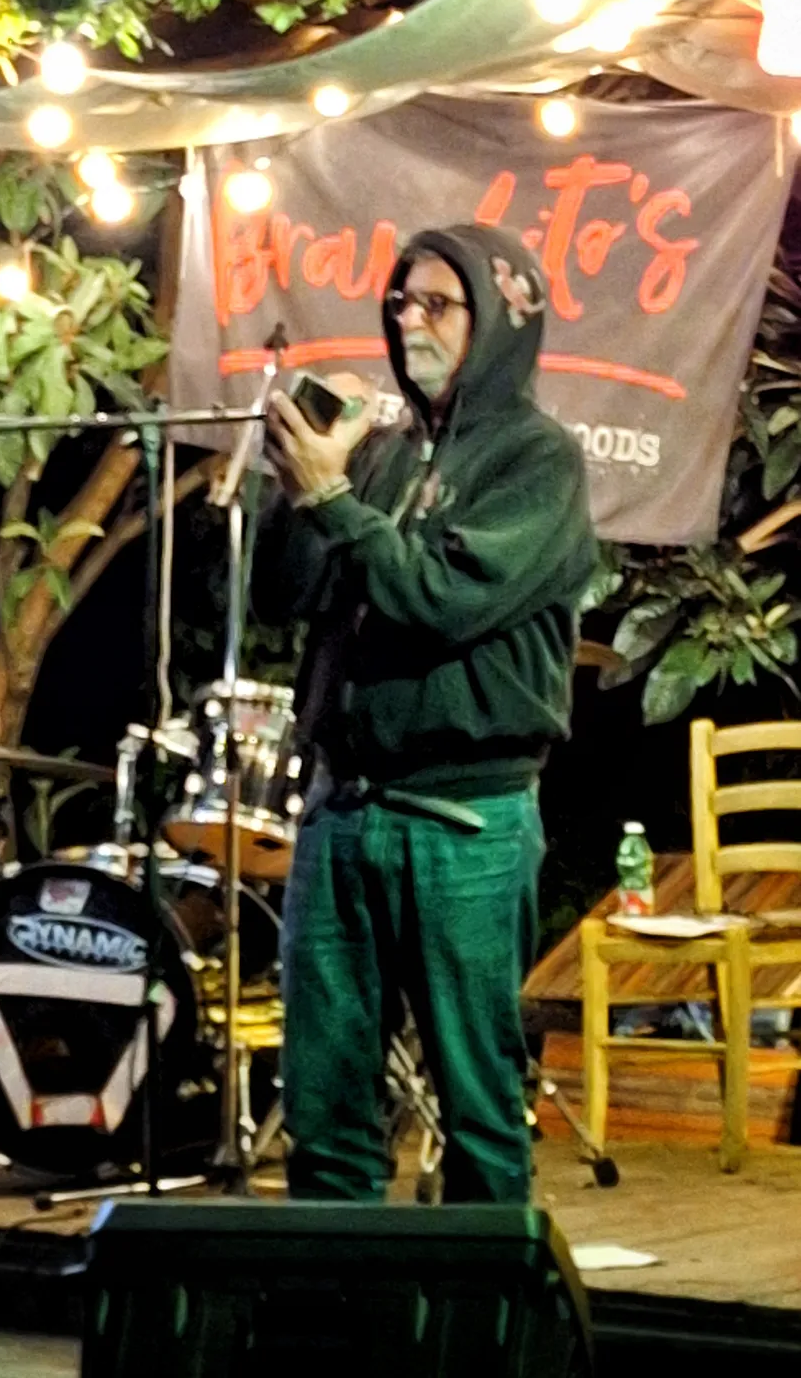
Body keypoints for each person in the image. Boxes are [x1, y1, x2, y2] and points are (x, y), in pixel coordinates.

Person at [251, 223, 598, 1203]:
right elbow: (279, 595)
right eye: (399, 302)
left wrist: (332, 499)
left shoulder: (537, 460)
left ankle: (483, 1295)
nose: (409, 321)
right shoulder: (379, 453)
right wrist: (302, 483)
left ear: (497, 319)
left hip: (463, 819)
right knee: (324, 1104)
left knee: (474, 1103)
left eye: (437, 304)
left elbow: (442, 598)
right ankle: (340, 1290)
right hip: (343, 808)